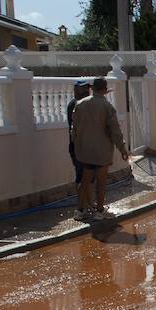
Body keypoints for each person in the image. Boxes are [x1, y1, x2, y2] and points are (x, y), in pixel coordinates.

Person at [71, 76, 129, 220]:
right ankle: (99, 210)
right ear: (105, 90)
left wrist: (77, 145)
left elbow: (74, 129)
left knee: (85, 180)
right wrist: (122, 149)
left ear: (92, 88)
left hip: (84, 151)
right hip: (102, 152)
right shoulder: (107, 107)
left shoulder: (80, 104)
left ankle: (80, 210)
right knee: (101, 181)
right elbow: (115, 131)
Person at [66, 79, 91, 214]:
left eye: (87, 89)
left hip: (84, 147)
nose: (87, 91)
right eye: (84, 89)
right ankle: (82, 207)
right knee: (82, 177)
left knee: (86, 177)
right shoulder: (75, 106)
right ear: (76, 91)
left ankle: (87, 204)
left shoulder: (83, 105)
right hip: (78, 147)